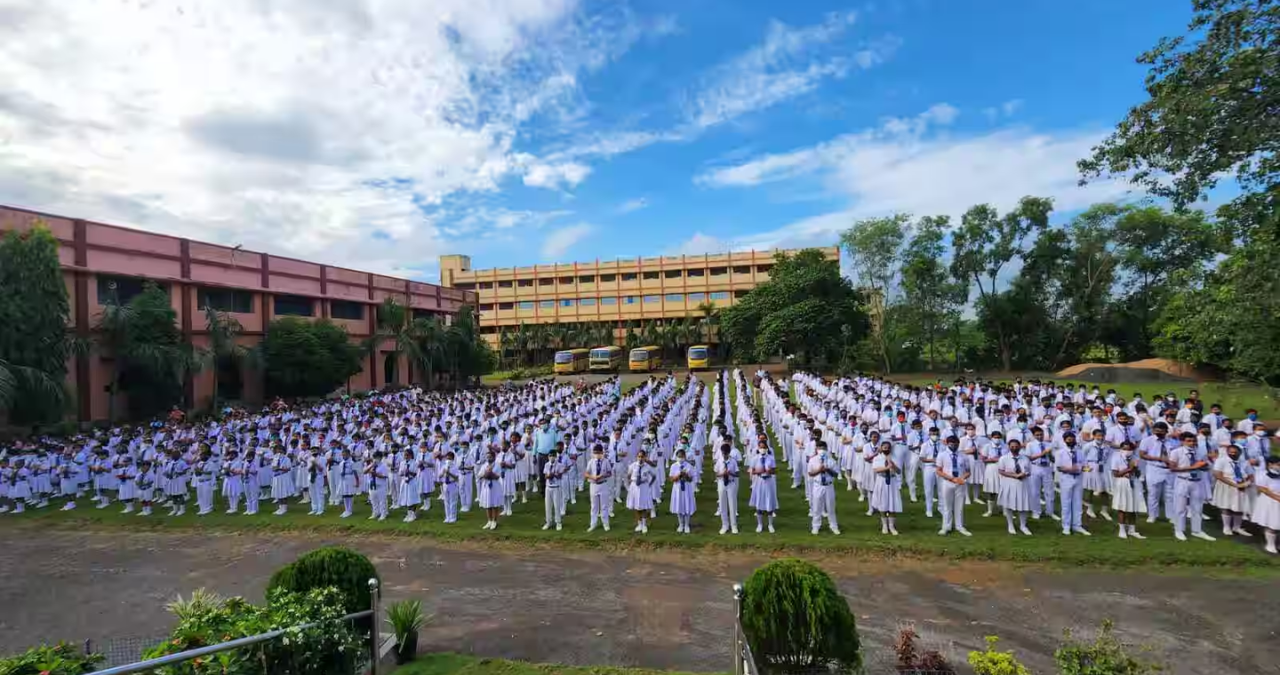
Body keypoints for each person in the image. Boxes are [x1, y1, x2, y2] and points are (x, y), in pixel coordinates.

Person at [1168, 431, 1215, 542]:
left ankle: (1197, 530)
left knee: (1197, 508)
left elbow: (1205, 466)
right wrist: (1192, 468)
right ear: (1182, 441)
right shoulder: (1176, 452)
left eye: (1194, 441)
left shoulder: (1200, 452)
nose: (1192, 443)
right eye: (1189, 441)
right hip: (1183, 480)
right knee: (1180, 507)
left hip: (1197, 481)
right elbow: (1173, 468)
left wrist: (1204, 466)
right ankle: (1179, 530)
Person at [1212, 442, 1252, 537]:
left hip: (1241, 486)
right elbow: (1218, 475)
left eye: (1235, 452)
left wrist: (1247, 483)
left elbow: (1251, 475)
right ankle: (1226, 527)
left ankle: (1236, 527)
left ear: (1240, 452)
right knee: (1226, 506)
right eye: (1231, 452)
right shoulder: (1221, 460)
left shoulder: (1244, 462)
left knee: (1239, 507)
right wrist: (1235, 485)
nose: (1233, 454)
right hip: (1226, 486)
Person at [1108, 441, 1146, 539]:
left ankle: (1132, 530)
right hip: (1122, 483)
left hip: (1134, 483)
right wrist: (1129, 469)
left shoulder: (1136, 459)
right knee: (1123, 506)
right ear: (1121, 449)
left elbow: (1139, 474)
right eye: (1124, 449)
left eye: (1129, 449)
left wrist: (1136, 469)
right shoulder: (1116, 458)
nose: (1127, 451)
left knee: (1133, 507)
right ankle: (1121, 530)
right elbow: (1115, 474)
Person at [1056, 432, 1089, 536]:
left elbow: (1084, 465)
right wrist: (1070, 469)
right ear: (1065, 440)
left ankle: (1077, 525)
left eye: (1072, 439)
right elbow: (1059, 467)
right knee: (1066, 503)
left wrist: (1087, 469)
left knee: (1078, 502)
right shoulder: (1060, 452)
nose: (1071, 441)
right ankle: (1066, 526)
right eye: (1068, 439)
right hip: (1066, 478)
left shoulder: (1080, 452)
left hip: (1078, 478)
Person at [996, 440, 1033, 535]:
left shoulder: (1025, 458)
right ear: (1009, 447)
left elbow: (1029, 471)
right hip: (1009, 484)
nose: (1014, 448)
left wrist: (1024, 474)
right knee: (1009, 504)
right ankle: (1010, 525)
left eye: (1016, 446)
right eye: (1012, 446)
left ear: (1020, 447)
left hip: (1022, 484)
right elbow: (1001, 471)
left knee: (1023, 505)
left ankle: (1023, 525)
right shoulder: (1004, 458)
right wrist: (1014, 475)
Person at [936, 436, 971, 536]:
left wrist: (961, 478)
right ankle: (946, 527)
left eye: (956, 443)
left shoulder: (963, 456)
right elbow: (938, 470)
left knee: (959, 506)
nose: (954, 445)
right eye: (951, 443)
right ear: (947, 443)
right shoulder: (942, 455)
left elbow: (968, 472)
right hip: (947, 483)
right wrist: (951, 478)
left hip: (960, 483)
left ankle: (959, 526)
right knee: (947, 506)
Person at [807, 440, 840, 535]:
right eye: (819, 448)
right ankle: (816, 526)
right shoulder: (813, 460)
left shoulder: (831, 460)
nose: (821, 450)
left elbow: (836, 474)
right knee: (817, 507)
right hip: (818, 485)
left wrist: (827, 469)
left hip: (829, 486)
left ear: (826, 449)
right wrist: (819, 470)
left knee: (831, 507)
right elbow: (810, 473)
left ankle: (833, 526)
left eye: (823, 448)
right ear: (816, 449)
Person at [870, 441, 902, 535]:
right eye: (884, 447)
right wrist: (887, 468)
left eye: (888, 447)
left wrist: (892, 464)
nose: (886, 449)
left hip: (892, 481)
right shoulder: (877, 458)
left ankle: (891, 526)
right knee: (882, 503)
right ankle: (884, 525)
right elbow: (876, 469)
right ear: (881, 448)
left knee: (893, 503)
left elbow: (899, 471)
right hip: (882, 481)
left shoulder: (895, 457)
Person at [1251, 455, 1280, 554]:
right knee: (1271, 523)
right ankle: (1270, 544)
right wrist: (1276, 497)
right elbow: (1262, 489)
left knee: (1277, 523)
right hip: (1270, 501)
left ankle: (1277, 543)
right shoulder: (1262, 474)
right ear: (1270, 464)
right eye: (1278, 465)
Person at [748, 438, 778, 533]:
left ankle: (770, 524)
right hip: (759, 481)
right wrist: (759, 471)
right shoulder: (755, 458)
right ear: (758, 448)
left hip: (768, 481)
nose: (762, 449)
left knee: (769, 502)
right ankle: (760, 524)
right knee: (759, 502)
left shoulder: (771, 458)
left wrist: (770, 471)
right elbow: (751, 471)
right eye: (761, 447)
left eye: (764, 447)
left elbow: (774, 470)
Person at [585, 444, 613, 533]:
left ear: (602, 452)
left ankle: (606, 524)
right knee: (594, 506)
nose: (597, 454)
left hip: (603, 484)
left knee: (604, 506)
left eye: (598, 453)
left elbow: (609, 473)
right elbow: (586, 473)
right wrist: (592, 477)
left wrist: (602, 475)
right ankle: (593, 524)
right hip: (593, 485)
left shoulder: (606, 461)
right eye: (595, 453)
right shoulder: (591, 462)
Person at [669, 447, 697, 534]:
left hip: (687, 488)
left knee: (687, 505)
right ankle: (681, 524)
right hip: (677, 488)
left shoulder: (689, 466)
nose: (680, 458)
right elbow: (671, 479)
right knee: (679, 505)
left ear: (684, 456)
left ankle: (687, 524)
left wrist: (686, 475)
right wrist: (678, 475)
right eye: (678, 456)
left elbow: (691, 479)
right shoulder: (674, 466)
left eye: (681, 456)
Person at [627, 448, 655, 533]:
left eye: (642, 457)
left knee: (643, 507)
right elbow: (628, 475)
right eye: (639, 456)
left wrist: (649, 484)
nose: (640, 458)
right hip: (635, 487)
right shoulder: (632, 465)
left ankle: (644, 524)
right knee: (636, 506)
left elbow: (654, 476)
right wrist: (631, 483)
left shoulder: (647, 467)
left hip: (644, 487)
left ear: (645, 457)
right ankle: (639, 524)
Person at [714, 442, 739, 535]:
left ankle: (734, 525)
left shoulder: (733, 461)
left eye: (726, 453)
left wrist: (730, 473)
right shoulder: (719, 461)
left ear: (729, 453)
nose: (724, 455)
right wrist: (722, 474)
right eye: (723, 453)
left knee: (732, 504)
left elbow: (737, 474)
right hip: (721, 483)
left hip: (731, 483)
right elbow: (716, 473)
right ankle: (725, 525)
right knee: (722, 504)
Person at [478, 449, 505, 530]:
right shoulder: (484, 465)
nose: (488, 459)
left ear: (494, 457)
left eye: (490, 457)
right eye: (487, 457)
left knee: (495, 504)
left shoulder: (497, 465)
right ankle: (489, 521)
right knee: (488, 504)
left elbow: (497, 476)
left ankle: (494, 521)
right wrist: (486, 473)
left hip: (495, 485)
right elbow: (480, 475)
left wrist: (490, 473)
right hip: (486, 485)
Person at [542, 447, 565, 531]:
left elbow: (560, 476)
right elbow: (545, 476)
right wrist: (549, 476)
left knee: (557, 506)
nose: (551, 457)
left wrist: (553, 474)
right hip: (548, 487)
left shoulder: (560, 465)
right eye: (550, 456)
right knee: (547, 506)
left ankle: (558, 522)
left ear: (556, 456)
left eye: (553, 456)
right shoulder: (547, 464)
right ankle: (548, 522)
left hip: (556, 487)